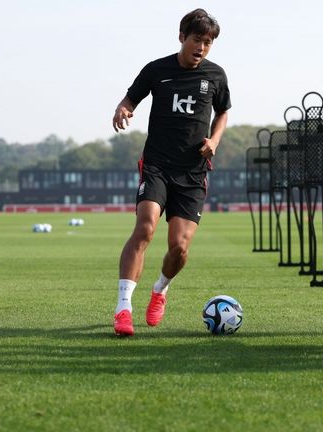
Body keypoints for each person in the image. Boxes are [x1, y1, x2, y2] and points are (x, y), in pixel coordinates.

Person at [111, 9, 231, 336]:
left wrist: (215, 139)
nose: (202, 47)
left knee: (179, 247)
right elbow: (130, 99)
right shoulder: (156, 70)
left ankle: (160, 290)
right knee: (145, 227)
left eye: (208, 42)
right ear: (182, 37)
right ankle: (123, 309)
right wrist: (124, 108)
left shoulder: (216, 76)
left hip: (192, 173)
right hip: (157, 165)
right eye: (197, 39)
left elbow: (223, 113)